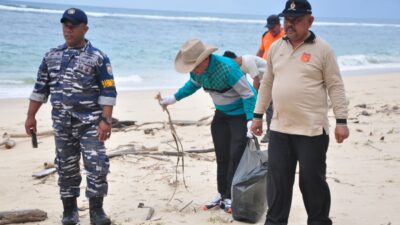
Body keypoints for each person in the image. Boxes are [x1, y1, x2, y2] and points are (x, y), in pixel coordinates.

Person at [251, 0, 349, 224]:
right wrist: (257, 116)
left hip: (312, 130)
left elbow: (335, 85)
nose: (290, 24)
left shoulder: (323, 49)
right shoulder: (276, 48)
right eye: (287, 20)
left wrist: (341, 121)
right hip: (280, 128)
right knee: (278, 183)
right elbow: (267, 83)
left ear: (310, 21)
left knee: (312, 183)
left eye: (296, 20)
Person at [24, 8, 116, 225]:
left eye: (73, 25)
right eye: (65, 25)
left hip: (91, 123)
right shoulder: (51, 56)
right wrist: (30, 117)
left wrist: (106, 120)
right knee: (66, 166)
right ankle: (69, 212)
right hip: (62, 123)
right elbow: (40, 89)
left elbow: (108, 90)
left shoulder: (98, 57)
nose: (68, 29)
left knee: (97, 165)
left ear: (85, 28)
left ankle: (97, 212)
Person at [159, 39, 256, 213]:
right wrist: (174, 98)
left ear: (205, 59)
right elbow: (193, 85)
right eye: (191, 67)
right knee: (222, 156)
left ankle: (231, 196)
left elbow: (249, 94)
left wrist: (251, 120)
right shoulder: (196, 72)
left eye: (195, 66)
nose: (194, 71)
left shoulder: (228, 69)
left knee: (236, 155)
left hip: (240, 116)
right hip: (221, 115)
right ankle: (221, 193)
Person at [256, 14, 286, 143]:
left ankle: (278, 131)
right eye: (269, 27)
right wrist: (255, 65)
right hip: (265, 74)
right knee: (267, 104)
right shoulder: (265, 35)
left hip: (280, 73)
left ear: (279, 25)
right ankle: (269, 132)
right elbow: (260, 52)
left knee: (279, 103)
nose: (271, 30)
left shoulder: (286, 35)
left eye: (273, 27)